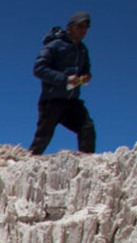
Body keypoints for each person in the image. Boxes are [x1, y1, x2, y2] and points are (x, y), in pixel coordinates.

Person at [28, 11, 95, 155]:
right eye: (80, 26)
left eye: (86, 27)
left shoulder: (82, 49)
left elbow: (86, 68)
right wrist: (65, 79)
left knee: (87, 128)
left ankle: (87, 164)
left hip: (72, 101)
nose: (83, 30)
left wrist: (86, 76)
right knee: (43, 137)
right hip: (52, 100)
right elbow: (39, 69)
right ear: (69, 28)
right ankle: (27, 164)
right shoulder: (54, 45)